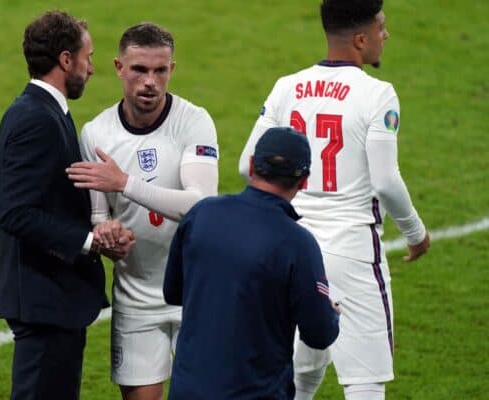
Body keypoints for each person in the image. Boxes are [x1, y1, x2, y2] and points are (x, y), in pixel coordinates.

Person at [238, 1, 431, 399]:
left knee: (300, 367)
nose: (386, 35)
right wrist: (416, 233)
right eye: (381, 27)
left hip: (290, 249)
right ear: (361, 40)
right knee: (364, 382)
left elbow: (247, 165)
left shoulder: (286, 87)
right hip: (352, 252)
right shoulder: (378, 94)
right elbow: (386, 181)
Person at [66, 23, 219, 400]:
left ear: (171, 69)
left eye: (160, 70)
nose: (150, 81)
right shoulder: (96, 134)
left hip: (195, 294)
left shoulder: (193, 121)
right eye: (139, 70)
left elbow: (200, 205)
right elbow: (100, 219)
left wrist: (126, 184)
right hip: (135, 298)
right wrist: (107, 235)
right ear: (119, 67)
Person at [0, 11, 134, 400]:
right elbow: (17, 212)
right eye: (88, 58)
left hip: (53, 299)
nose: (92, 69)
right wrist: (91, 241)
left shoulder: (47, 111)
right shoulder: (35, 118)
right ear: (65, 60)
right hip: (44, 300)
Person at [164, 127, 339, 400]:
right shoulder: (298, 243)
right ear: (304, 180)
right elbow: (319, 334)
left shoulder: (202, 214)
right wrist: (330, 312)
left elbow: (173, 292)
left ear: (251, 165)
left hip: (188, 391)